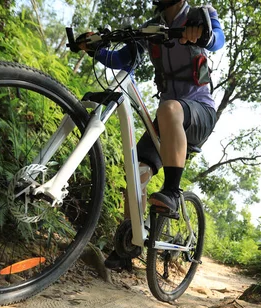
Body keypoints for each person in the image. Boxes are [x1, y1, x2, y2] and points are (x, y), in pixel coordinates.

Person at [78, 0, 225, 269]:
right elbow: (123, 59)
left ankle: (171, 189)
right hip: (168, 118)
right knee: (138, 172)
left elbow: (217, 40)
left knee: (168, 109)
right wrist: (96, 48)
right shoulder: (152, 29)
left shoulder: (200, 15)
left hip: (200, 113)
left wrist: (202, 33)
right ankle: (128, 247)